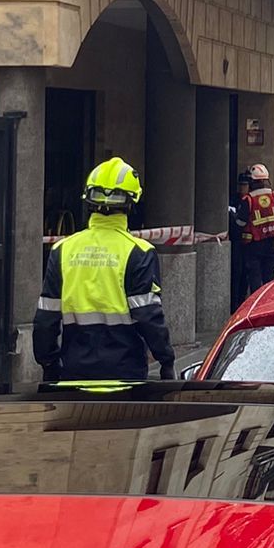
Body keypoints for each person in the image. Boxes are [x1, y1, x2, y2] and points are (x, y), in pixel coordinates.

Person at [36, 158, 173, 382]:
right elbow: (149, 317)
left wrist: (48, 362)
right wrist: (166, 360)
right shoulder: (139, 252)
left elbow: (45, 319)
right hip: (125, 371)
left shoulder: (62, 250)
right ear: (132, 203)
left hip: (73, 370)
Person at [232, 165, 274, 307]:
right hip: (270, 242)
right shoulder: (273, 195)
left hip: (252, 244)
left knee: (254, 277)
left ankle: (257, 307)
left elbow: (240, 222)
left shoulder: (248, 199)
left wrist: (234, 218)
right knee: (269, 276)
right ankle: (270, 304)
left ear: (252, 182)